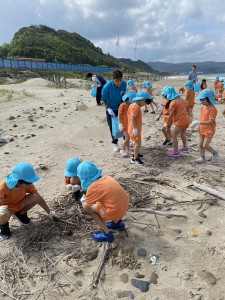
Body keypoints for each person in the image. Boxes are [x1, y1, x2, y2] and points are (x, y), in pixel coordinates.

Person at [0, 162, 57, 240]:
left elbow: (38, 198)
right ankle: (4, 230)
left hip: (18, 205)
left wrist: (49, 212)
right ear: (18, 181)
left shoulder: (27, 185)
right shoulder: (4, 186)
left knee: (35, 196)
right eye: (29, 182)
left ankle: (20, 214)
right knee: (2, 214)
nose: (31, 184)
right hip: (6, 208)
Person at [77, 160, 129, 242]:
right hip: (124, 205)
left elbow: (88, 204)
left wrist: (83, 200)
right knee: (107, 202)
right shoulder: (107, 177)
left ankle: (107, 234)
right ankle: (117, 223)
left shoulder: (93, 187)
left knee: (88, 208)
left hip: (114, 211)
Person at [101, 70, 127, 152]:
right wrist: (108, 108)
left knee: (123, 124)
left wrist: (123, 106)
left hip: (120, 107)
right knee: (112, 127)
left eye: (120, 80)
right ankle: (115, 143)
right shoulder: (107, 87)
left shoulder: (124, 84)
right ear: (113, 79)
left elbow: (123, 96)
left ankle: (126, 140)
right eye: (116, 81)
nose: (118, 83)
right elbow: (103, 99)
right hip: (110, 109)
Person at [191, 89, 218, 164]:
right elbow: (202, 118)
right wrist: (195, 124)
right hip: (202, 128)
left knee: (205, 145)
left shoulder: (213, 109)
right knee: (200, 145)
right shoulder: (202, 108)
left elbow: (211, 121)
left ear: (208, 99)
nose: (201, 101)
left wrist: (199, 122)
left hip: (209, 129)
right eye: (201, 100)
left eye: (203, 100)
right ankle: (202, 158)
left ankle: (215, 154)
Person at [128, 90, 153, 164]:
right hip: (134, 129)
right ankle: (135, 159)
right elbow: (132, 117)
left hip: (130, 128)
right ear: (142, 99)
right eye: (145, 102)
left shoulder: (132, 105)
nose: (144, 104)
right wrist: (135, 128)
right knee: (138, 143)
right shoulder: (137, 107)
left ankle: (135, 154)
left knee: (135, 143)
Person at [164, 87, 190, 157]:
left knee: (173, 134)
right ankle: (185, 147)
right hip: (186, 119)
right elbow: (187, 109)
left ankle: (175, 151)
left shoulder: (173, 102)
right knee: (182, 134)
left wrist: (167, 124)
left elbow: (171, 115)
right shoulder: (180, 99)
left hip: (181, 120)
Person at [118, 90, 137, 156]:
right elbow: (119, 115)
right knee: (127, 138)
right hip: (124, 124)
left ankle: (127, 150)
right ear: (127, 98)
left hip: (129, 124)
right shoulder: (122, 105)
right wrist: (120, 124)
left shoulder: (131, 105)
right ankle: (123, 149)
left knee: (128, 138)